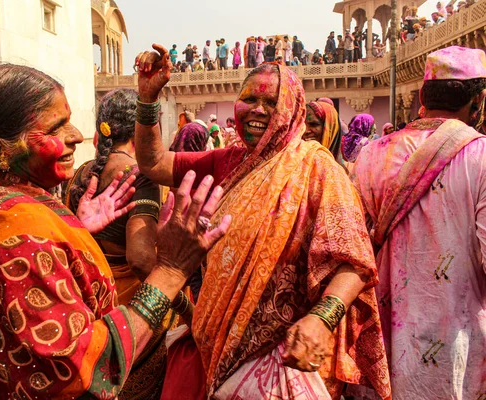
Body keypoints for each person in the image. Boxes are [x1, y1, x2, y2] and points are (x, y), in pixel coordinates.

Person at [0, 63, 231, 399]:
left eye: (71, 121)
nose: (76, 136)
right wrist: (172, 270)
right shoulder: (24, 240)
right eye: (56, 129)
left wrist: (73, 231)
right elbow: (85, 371)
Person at [133, 44, 390, 400]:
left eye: (271, 102)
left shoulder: (319, 170)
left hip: (283, 359)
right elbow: (152, 163)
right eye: (249, 98)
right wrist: (148, 100)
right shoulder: (227, 161)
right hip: (218, 349)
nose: (257, 109)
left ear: (292, 111)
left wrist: (321, 319)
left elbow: (354, 263)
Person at [350, 46, 486, 400]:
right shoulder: (481, 156)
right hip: (453, 348)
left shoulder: (371, 154)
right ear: (479, 101)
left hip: (381, 343)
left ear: (423, 96)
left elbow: (352, 249)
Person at [65, 89, 174, 399]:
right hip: (126, 307)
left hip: (89, 297)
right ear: (143, 129)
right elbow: (139, 259)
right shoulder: (141, 176)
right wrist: (178, 297)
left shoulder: (83, 172)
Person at [304, 101, 345, 165]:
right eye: (302, 125)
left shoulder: (341, 171)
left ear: (331, 128)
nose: (305, 131)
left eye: (314, 124)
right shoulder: (292, 162)